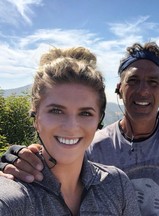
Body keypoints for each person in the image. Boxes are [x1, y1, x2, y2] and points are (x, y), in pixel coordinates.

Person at [0, 42, 159, 215]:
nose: (143, 90)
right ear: (119, 89)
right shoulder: (94, 144)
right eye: (133, 81)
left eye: (153, 82)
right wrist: (15, 159)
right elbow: (59, 156)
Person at [0, 47, 141, 216]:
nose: (71, 126)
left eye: (85, 113)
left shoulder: (117, 185)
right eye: (56, 111)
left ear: (99, 120)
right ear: (36, 117)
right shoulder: (13, 199)